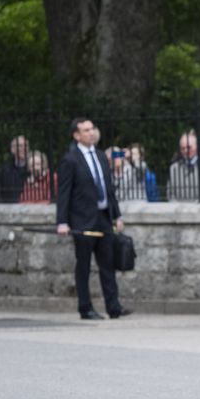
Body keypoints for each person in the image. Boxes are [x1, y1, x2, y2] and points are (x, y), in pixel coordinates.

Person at [55, 118, 131, 321]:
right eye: (86, 130)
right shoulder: (70, 159)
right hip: (82, 220)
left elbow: (109, 189)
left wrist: (116, 215)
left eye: (92, 129)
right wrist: (62, 222)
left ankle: (113, 306)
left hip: (103, 217)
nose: (91, 133)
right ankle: (85, 307)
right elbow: (63, 193)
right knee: (84, 265)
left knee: (108, 263)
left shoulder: (100, 156)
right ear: (77, 135)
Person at [167, 131, 200, 202]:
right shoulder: (174, 168)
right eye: (183, 148)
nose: (186, 150)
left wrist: (195, 207)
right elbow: (170, 194)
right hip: (179, 211)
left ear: (197, 146)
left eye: (189, 147)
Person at [0, 135, 30, 202]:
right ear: (12, 149)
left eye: (25, 145)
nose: (23, 148)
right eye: (20, 146)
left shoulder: (33, 168)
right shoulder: (4, 170)